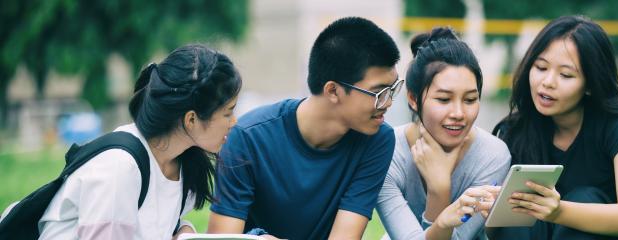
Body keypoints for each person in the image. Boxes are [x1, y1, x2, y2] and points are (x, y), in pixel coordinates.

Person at [207, 17, 401, 239]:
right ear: (333, 91)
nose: (388, 103)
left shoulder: (377, 139)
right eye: (379, 93)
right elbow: (223, 237)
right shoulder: (248, 137)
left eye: (393, 88)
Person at [38, 44, 242, 239]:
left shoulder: (181, 161)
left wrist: (183, 229)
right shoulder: (120, 167)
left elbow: (153, 222)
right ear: (191, 119)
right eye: (228, 112)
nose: (234, 122)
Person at [489, 15, 618, 239]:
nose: (548, 82)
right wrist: (490, 209)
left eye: (565, 75)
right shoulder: (517, 130)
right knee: (519, 214)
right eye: (541, 67)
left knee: (585, 197)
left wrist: (559, 211)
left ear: (590, 84)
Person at [376, 27, 511, 240]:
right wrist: (438, 190)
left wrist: (440, 187)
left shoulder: (493, 155)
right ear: (413, 99)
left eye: (469, 100)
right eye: (444, 99)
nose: (458, 113)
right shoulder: (387, 152)